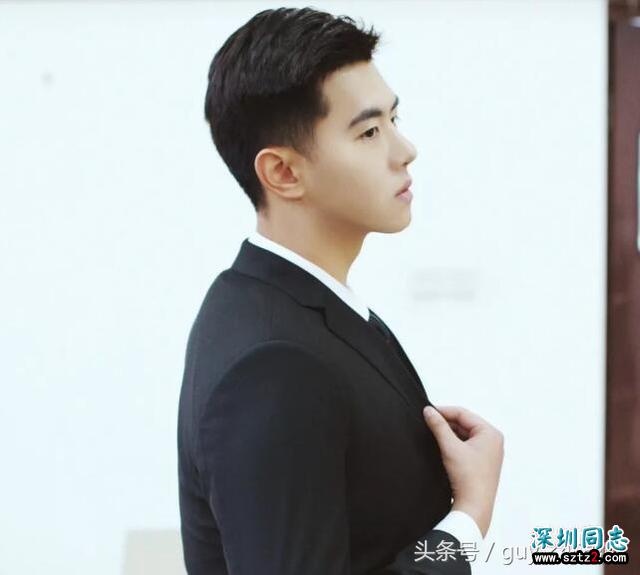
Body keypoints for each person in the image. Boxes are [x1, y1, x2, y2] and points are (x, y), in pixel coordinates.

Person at [177, 7, 504, 574]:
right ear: (283, 172)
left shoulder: (307, 307)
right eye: (370, 132)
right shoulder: (272, 362)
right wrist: (468, 519)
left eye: (395, 119)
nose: (405, 149)